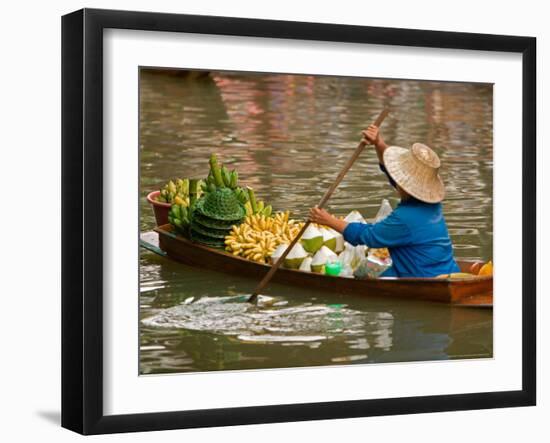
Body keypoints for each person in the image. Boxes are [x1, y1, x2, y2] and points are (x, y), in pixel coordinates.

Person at [309, 125, 460, 278]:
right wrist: (378, 143)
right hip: (448, 270)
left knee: (362, 274)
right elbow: (394, 175)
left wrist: (327, 220)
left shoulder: (404, 217)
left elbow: (368, 236)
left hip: (419, 276)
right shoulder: (433, 206)